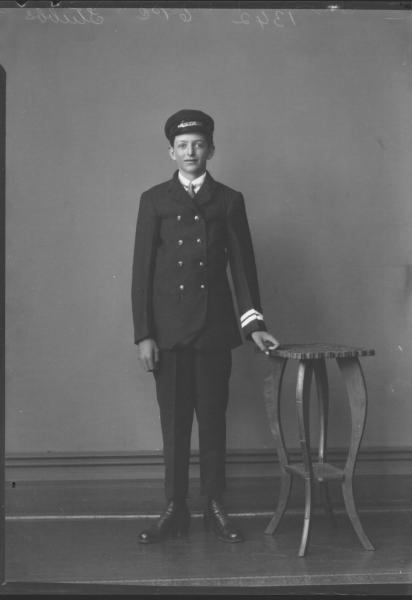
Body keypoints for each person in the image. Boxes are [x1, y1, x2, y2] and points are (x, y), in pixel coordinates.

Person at [131, 109, 279, 544]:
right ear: (171, 152)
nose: (190, 152)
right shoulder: (153, 200)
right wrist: (144, 334)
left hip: (213, 332)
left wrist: (254, 326)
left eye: (198, 144)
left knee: (213, 421)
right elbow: (141, 274)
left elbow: (243, 269)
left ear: (210, 149)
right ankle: (174, 508)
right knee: (174, 426)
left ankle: (215, 504)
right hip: (169, 335)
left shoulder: (228, 200)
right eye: (182, 146)